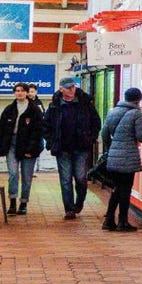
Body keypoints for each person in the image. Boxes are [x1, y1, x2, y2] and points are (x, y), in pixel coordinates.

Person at [44, 81, 100, 220]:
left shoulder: (85, 104)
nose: (71, 89)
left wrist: (90, 138)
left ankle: (79, 201)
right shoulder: (55, 106)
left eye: (73, 87)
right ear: (61, 89)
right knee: (65, 179)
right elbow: (46, 126)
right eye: (68, 88)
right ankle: (69, 209)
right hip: (62, 148)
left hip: (81, 147)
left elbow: (96, 122)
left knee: (81, 178)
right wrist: (51, 141)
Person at [98, 88, 142, 231]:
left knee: (117, 188)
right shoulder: (136, 113)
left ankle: (108, 220)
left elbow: (104, 133)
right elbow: (141, 137)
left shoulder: (112, 111)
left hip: (114, 156)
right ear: (138, 99)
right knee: (125, 190)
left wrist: (110, 149)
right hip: (128, 157)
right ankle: (122, 222)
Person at [0, 83, 46, 215]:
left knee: (27, 177)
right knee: (13, 174)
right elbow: (1, 129)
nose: (19, 93)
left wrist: (31, 149)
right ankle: (12, 201)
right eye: (16, 91)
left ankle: (23, 202)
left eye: (22, 91)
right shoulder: (9, 109)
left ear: (27, 93)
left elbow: (38, 132)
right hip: (11, 144)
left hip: (28, 145)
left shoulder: (34, 110)